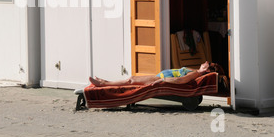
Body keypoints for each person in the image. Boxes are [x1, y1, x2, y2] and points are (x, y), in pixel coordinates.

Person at [89, 61, 221, 87]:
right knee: (132, 80)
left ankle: (102, 84)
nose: (204, 62)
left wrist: (161, 81)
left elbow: (180, 81)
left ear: (207, 70)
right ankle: (105, 82)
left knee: (131, 80)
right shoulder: (196, 72)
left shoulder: (196, 74)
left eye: (207, 63)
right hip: (160, 76)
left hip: (160, 78)